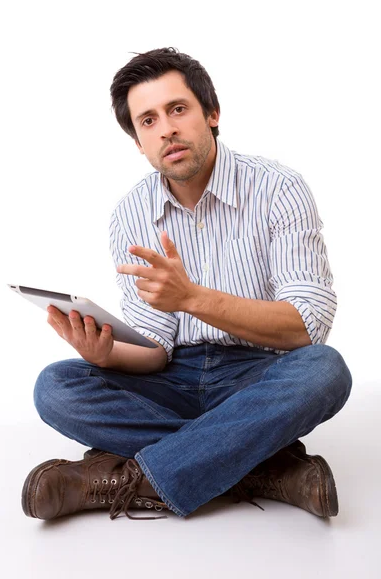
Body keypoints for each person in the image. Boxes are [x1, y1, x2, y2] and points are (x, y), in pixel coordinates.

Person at [21, 47, 352, 522]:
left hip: (256, 374)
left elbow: (306, 327)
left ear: (211, 113)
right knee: (56, 386)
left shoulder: (279, 189)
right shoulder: (130, 213)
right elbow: (154, 347)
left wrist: (193, 298)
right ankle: (259, 464)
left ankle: (132, 477)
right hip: (172, 376)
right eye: (148, 121)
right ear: (138, 141)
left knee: (324, 371)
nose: (166, 129)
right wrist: (104, 354)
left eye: (178, 109)